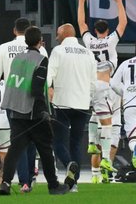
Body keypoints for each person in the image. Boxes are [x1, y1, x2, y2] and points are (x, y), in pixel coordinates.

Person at [0, 27, 69, 195]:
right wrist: (44, 111)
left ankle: (5, 183)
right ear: (40, 41)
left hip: (15, 111)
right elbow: (37, 89)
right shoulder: (41, 60)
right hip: (33, 112)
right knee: (45, 149)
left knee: (14, 150)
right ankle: (53, 185)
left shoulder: (17, 59)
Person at [0, 18, 47, 192]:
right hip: (34, 99)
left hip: (13, 98)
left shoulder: (4, 48)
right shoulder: (41, 49)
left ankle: (24, 181)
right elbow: (46, 77)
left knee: (18, 139)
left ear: (14, 30)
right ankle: (28, 177)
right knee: (32, 139)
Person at [47, 23, 97, 188]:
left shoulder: (58, 51)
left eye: (58, 35)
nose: (56, 38)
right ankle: (74, 183)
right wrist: (89, 99)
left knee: (58, 142)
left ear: (63, 35)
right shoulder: (88, 53)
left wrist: (46, 93)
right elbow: (93, 82)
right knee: (76, 143)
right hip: (82, 105)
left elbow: (49, 77)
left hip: (62, 104)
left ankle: (70, 165)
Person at [110, 38, 136, 185]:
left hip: (131, 106)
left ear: (135, 50)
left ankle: (135, 148)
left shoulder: (126, 63)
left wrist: (126, 93)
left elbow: (113, 83)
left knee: (133, 139)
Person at [78, 0, 126, 67]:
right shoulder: (111, 40)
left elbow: (81, 23)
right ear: (107, 30)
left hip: (93, 77)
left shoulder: (89, 42)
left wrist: (81, 0)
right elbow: (123, 23)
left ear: (95, 30)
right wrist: (119, 1)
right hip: (107, 77)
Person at [88, 61, 118, 183]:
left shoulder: (94, 65)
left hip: (91, 86)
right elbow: (116, 87)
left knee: (94, 114)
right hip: (102, 88)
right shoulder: (111, 68)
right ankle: (105, 158)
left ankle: (91, 143)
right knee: (107, 124)